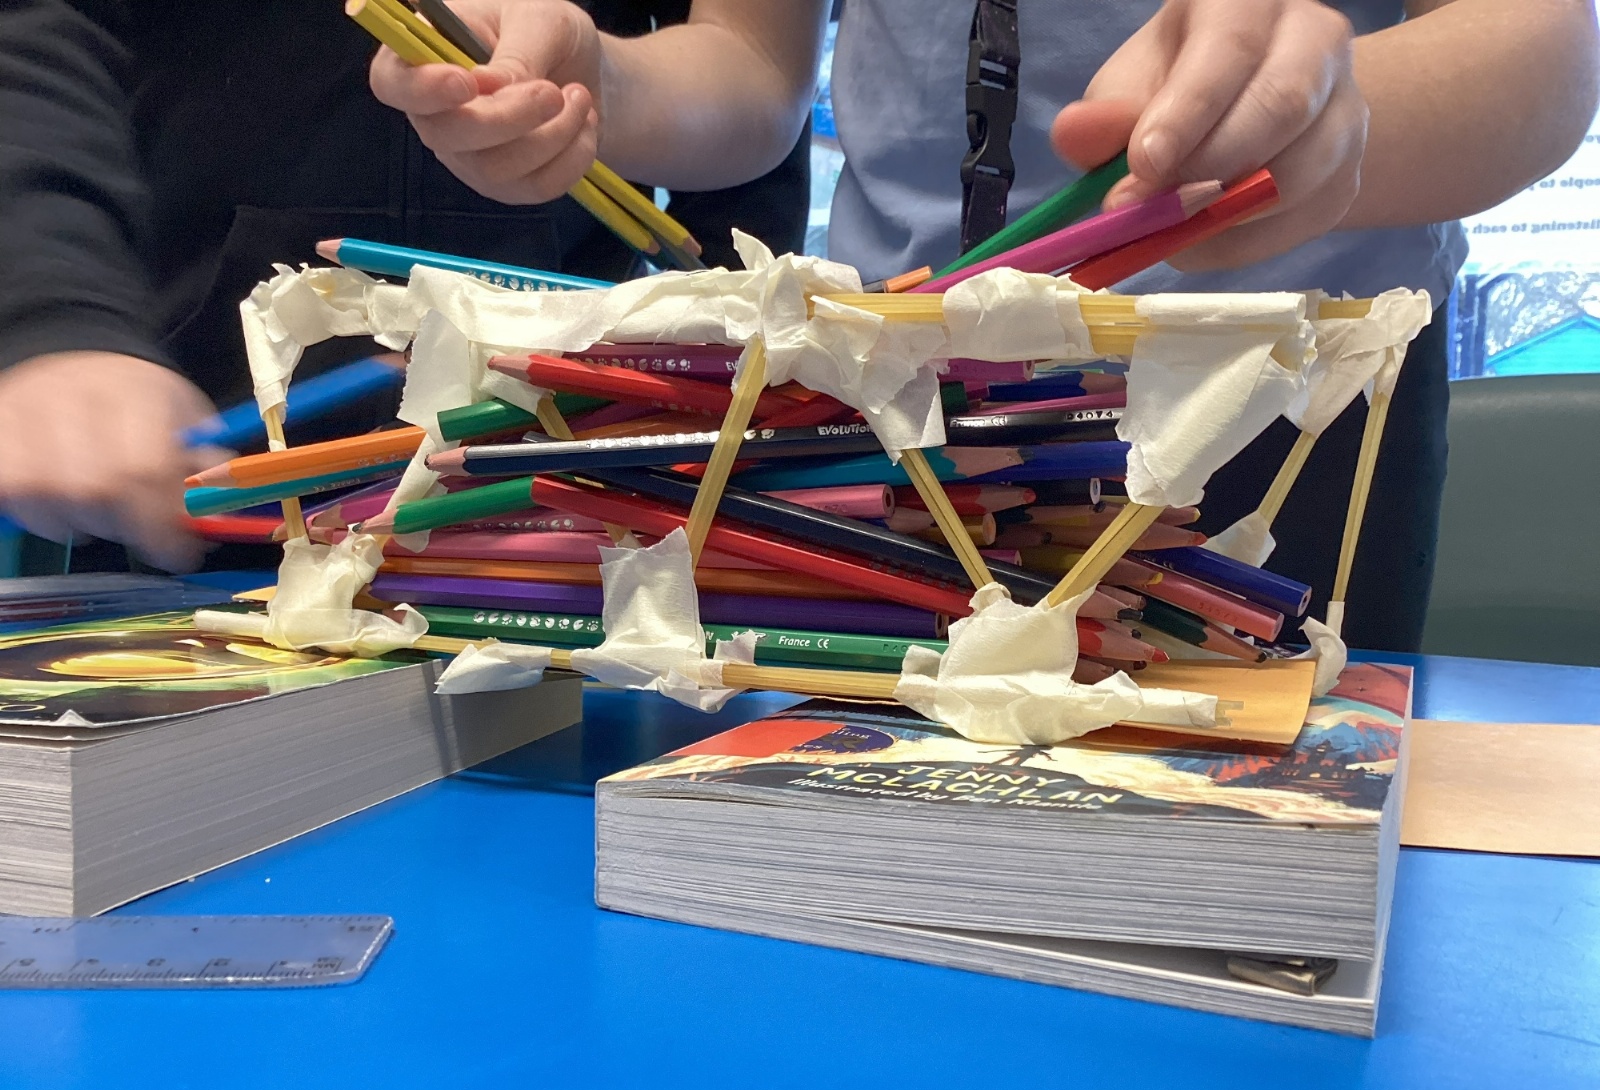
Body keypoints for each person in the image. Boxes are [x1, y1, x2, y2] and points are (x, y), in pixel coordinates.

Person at [367, 0, 1599, 650]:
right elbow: (752, 62)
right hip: (885, 411)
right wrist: (596, 78)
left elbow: (1541, 44)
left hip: (1278, 397)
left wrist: (1335, 116)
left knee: (1247, 903)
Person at [0, 0, 814, 572]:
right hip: (175, 447)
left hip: (572, 475)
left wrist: (597, 87)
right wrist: (52, 310)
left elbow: (758, 69)